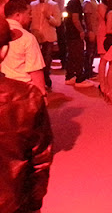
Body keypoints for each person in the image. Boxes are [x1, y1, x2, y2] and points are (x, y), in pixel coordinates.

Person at [0, 17, 53, 213]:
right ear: (4, 51)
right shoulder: (27, 97)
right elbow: (40, 159)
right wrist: (34, 203)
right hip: (14, 200)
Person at [2, 0, 47, 95]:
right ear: (18, 15)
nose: (31, 17)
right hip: (22, 91)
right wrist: (42, 94)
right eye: (28, 13)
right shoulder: (27, 37)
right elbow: (35, 71)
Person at [30, 0, 61, 90]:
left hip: (48, 37)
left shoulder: (53, 4)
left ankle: (46, 79)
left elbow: (58, 23)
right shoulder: (32, 5)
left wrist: (49, 17)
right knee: (36, 61)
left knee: (47, 61)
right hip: (35, 37)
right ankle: (40, 82)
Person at [64, 0, 94, 88]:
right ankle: (79, 78)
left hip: (70, 33)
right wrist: (81, 31)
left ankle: (70, 76)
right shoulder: (75, 3)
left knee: (72, 55)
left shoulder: (72, 2)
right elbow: (75, 19)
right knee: (78, 55)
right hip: (74, 33)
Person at [82, 0, 101, 80]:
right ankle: (87, 70)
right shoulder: (88, 2)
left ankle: (89, 68)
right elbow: (87, 19)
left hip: (96, 29)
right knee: (89, 51)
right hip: (92, 30)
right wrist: (90, 31)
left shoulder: (95, 1)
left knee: (92, 51)